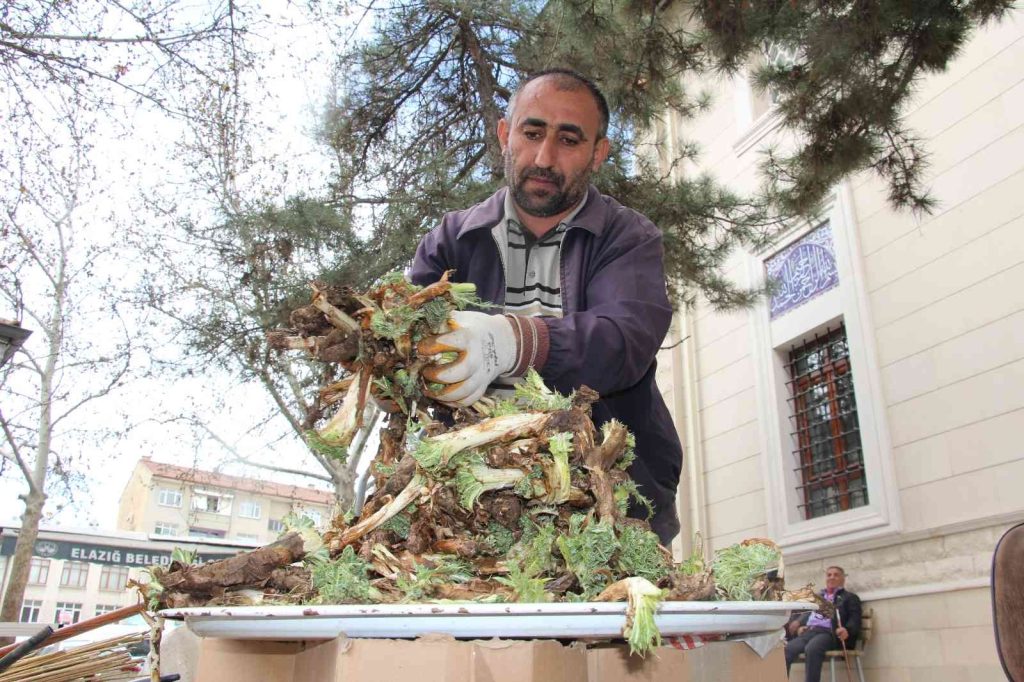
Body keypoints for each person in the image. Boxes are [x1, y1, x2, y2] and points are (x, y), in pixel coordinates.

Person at [410, 68, 683, 545]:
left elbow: (622, 341)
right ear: (504, 134)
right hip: (470, 504)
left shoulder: (629, 238)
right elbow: (407, 345)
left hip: (614, 502)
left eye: (569, 140)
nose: (543, 157)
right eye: (531, 132)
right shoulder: (452, 241)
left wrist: (513, 341)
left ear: (598, 152)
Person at [784, 566, 863, 682]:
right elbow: (806, 613)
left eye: (836, 575)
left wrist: (848, 630)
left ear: (843, 579)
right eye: (829, 575)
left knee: (812, 649)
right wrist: (799, 624)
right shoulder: (818, 597)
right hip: (810, 632)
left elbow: (855, 618)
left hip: (830, 633)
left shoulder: (849, 598)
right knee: (787, 649)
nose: (832, 577)